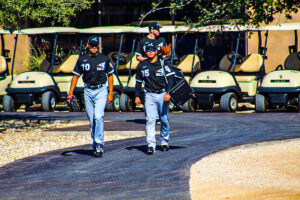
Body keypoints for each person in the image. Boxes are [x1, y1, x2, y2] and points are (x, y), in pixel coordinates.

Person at [68, 36, 114, 157]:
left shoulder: (104, 58)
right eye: (92, 46)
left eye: (96, 46)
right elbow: (75, 76)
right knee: (91, 118)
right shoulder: (82, 59)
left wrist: (110, 93)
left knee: (98, 116)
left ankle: (99, 144)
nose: (94, 48)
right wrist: (70, 93)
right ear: (87, 45)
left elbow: (110, 75)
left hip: (101, 89)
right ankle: (94, 144)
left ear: (98, 46)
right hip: (88, 89)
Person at [134, 42, 175, 155]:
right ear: (145, 52)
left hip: (162, 94)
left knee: (164, 120)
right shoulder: (142, 65)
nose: (150, 51)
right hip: (149, 95)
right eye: (148, 49)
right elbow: (138, 82)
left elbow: (171, 79)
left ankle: (164, 142)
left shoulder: (163, 63)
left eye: (152, 49)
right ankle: (151, 145)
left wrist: (168, 93)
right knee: (150, 120)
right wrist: (137, 96)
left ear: (156, 51)